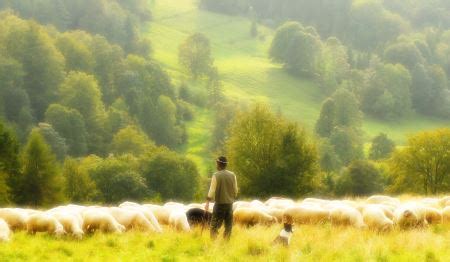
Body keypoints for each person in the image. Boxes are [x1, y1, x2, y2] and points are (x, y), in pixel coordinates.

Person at [205, 156, 238, 240]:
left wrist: (207, 203)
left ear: (218, 164)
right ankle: (226, 243)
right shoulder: (232, 175)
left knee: (214, 225)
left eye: (217, 163)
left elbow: (212, 190)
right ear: (225, 165)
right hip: (229, 204)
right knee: (228, 225)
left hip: (219, 204)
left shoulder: (216, 175)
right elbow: (236, 190)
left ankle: (214, 243)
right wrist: (231, 197)